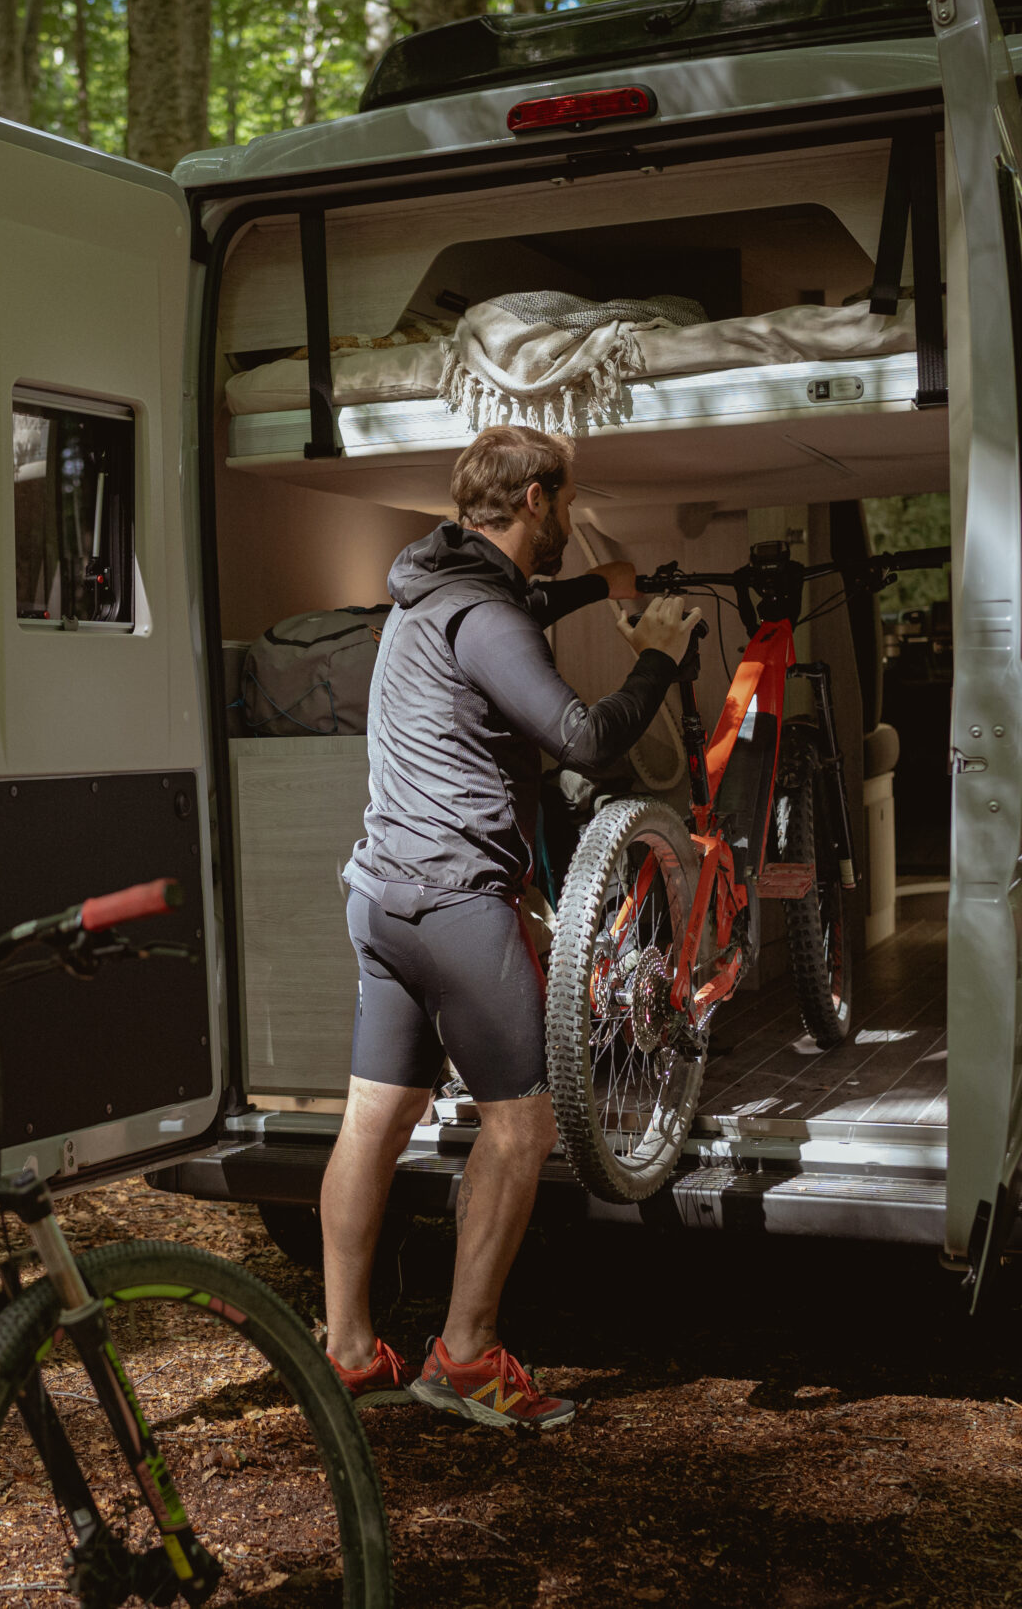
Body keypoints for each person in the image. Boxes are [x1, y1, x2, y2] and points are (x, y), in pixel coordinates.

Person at [319, 423, 703, 1430]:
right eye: (566, 498)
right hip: (452, 906)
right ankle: (467, 1357)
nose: (570, 515)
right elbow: (581, 737)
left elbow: (520, 604)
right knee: (522, 1127)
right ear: (537, 498)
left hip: (380, 897)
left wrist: (602, 583)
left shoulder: (426, 592)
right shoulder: (488, 618)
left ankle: (349, 1353)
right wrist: (657, 658)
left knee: (374, 1118)